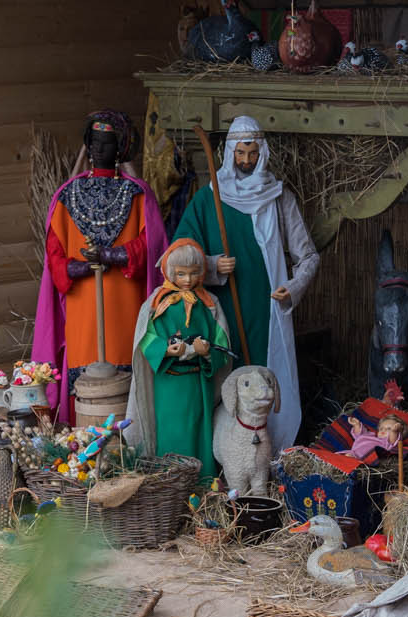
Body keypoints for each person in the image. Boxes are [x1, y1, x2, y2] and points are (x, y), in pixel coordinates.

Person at [171, 116, 320, 448]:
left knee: (265, 377)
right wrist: (210, 266)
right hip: (220, 308)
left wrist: (292, 289)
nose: (247, 161)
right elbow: (176, 256)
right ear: (229, 154)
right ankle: (222, 452)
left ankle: (266, 452)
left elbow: (308, 256)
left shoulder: (278, 197)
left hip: (266, 309)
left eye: (253, 154)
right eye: (241, 153)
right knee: (223, 373)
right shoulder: (208, 199)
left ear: (262, 153)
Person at [32, 110, 168, 422]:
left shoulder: (137, 194)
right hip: (82, 304)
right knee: (84, 365)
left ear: (120, 148)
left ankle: (130, 434)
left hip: (124, 299)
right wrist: (74, 268)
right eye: (93, 141)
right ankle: (83, 432)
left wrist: (113, 256)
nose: (97, 149)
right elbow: (53, 250)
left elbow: (154, 243)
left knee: (125, 365)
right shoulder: (67, 194)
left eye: (105, 143)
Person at [125, 239, 231, 481]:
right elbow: (146, 339)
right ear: (169, 272)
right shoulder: (157, 304)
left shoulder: (209, 305)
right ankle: (169, 483)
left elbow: (221, 342)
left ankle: (201, 484)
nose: (187, 280)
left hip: (197, 384)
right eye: (181, 274)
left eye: (194, 273)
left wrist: (207, 351)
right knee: (169, 433)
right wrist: (167, 350)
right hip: (167, 385)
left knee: (198, 430)